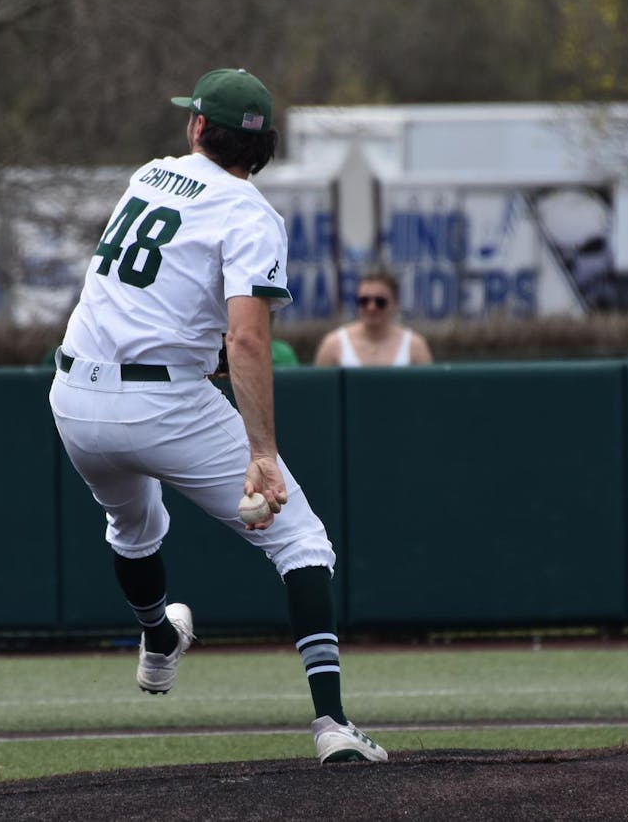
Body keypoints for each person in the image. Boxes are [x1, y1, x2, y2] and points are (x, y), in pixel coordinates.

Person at [48, 67, 386, 764]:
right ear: (262, 150)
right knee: (300, 542)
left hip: (75, 397)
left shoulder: (150, 175)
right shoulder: (250, 212)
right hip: (163, 401)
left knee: (133, 525)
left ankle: (158, 632)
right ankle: (332, 726)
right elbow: (248, 338)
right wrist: (261, 450)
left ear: (198, 127)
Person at [313, 270, 434, 366]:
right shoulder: (333, 344)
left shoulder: (415, 346)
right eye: (364, 301)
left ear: (395, 304)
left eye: (380, 302)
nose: (371, 307)